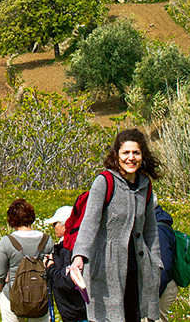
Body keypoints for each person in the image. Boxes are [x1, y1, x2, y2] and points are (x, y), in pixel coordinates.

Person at [68, 129, 162, 322]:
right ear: (117, 155)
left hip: (138, 272)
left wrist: (157, 263)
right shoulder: (104, 182)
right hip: (106, 271)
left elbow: (150, 229)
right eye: (125, 153)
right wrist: (79, 256)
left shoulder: (145, 184)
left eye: (136, 153)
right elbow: (89, 223)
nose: (131, 158)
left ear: (142, 155)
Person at [0, 198, 55, 322]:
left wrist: (1, 288)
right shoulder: (47, 240)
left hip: (13, 296)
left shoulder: (6, 242)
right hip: (40, 297)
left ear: (12, 219)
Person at [43, 206, 88, 322]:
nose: (53, 228)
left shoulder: (69, 248)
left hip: (76, 313)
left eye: (55, 224)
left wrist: (50, 267)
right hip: (75, 312)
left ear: (65, 225)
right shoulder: (73, 246)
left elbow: (66, 281)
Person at [154, 204, 177, 322]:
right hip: (163, 284)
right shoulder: (161, 222)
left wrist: (154, 296)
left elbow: (164, 266)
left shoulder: (158, 229)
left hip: (162, 286)